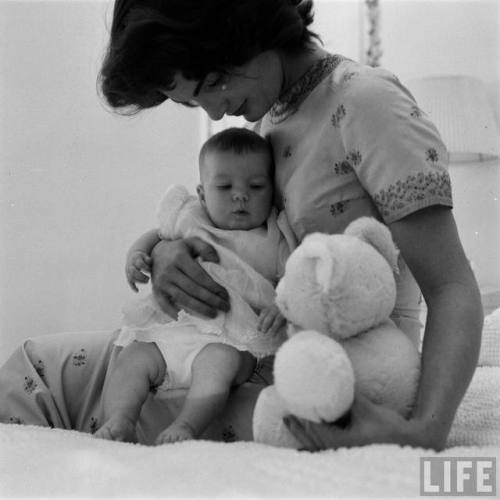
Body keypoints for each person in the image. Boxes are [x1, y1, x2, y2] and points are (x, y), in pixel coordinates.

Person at [98, 0, 483, 451]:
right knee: (63, 366)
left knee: (55, 374)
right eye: (192, 102)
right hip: (269, 357)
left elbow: (452, 288)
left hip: (354, 380)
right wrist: (169, 251)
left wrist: (425, 430)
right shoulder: (269, 121)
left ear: (251, 27)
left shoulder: (367, 102)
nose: (217, 113)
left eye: (216, 83)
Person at [95, 127, 291, 443]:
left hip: (232, 340)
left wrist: (280, 304)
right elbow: (157, 235)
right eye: (225, 186)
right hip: (172, 329)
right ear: (201, 194)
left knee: (218, 365)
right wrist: (137, 255)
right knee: (133, 358)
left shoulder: (274, 234)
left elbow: (291, 280)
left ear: (272, 190)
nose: (240, 195)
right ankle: (120, 420)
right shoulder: (189, 215)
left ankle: (186, 426)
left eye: (255, 186)